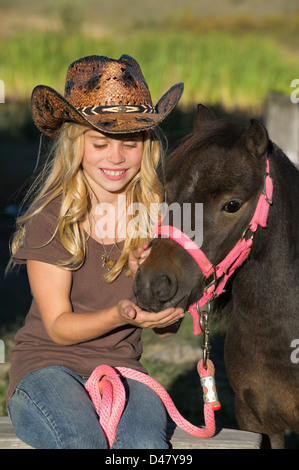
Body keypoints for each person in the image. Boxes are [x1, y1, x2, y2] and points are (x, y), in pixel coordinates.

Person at [6, 54, 184, 449]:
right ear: (76, 147)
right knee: (81, 440)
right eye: (100, 143)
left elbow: (169, 329)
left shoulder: (160, 218)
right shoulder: (52, 217)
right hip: (47, 367)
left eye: (130, 143)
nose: (116, 157)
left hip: (124, 369)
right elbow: (58, 326)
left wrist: (158, 299)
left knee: (144, 446)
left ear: (147, 146)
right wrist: (121, 313)